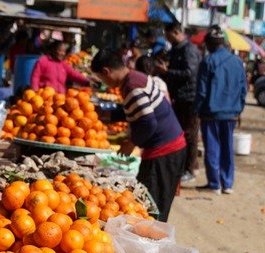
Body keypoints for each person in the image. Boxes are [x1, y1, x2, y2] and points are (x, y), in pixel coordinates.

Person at [91, 50, 187, 221]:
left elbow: (148, 123)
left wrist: (131, 143)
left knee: (151, 207)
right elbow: (137, 110)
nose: (104, 83)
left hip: (165, 151)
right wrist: (110, 115)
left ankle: (153, 244)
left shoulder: (132, 86)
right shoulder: (133, 78)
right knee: (149, 203)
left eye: (101, 78)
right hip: (168, 148)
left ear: (106, 72)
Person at [194, 26, 248, 194]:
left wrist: (196, 110)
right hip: (231, 113)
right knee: (227, 148)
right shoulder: (237, 62)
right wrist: (239, 110)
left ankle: (214, 183)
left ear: (210, 44)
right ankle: (228, 184)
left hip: (211, 113)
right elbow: (243, 89)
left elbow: (202, 91)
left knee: (212, 148)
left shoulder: (208, 62)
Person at [157, 23, 202, 184]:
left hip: (189, 98)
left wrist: (167, 72)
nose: (168, 40)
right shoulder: (176, 49)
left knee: (190, 134)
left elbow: (190, 73)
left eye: (169, 36)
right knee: (182, 133)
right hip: (179, 98)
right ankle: (183, 167)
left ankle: (190, 169)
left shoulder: (189, 49)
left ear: (176, 32)